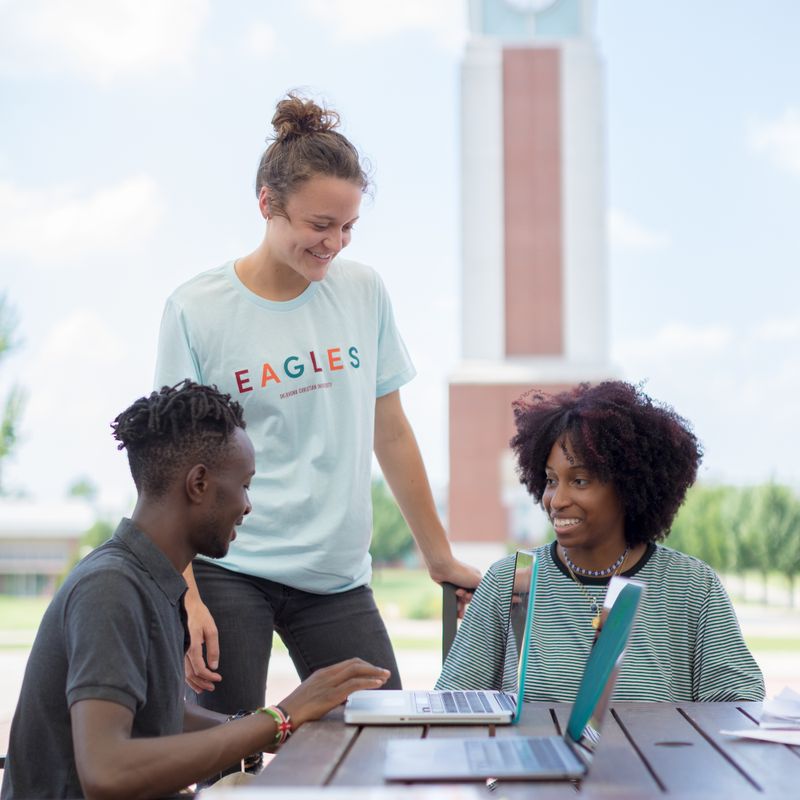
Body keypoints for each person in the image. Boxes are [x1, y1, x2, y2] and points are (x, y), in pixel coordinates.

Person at [153, 91, 480, 717]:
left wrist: (439, 557)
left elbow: (392, 431)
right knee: (225, 762)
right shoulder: (196, 309)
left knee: (385, 749)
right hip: (230, 568)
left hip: (336, 575)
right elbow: (171, 467)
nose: (335, 243)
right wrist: (185, 594)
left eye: (348, 226)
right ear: (267, 206)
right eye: (319, 225)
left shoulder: (363, 292)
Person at [0, 381, 390, 800]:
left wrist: (277, 727)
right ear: (199, 484)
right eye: (244, 484)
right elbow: (106, 772)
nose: (247, 505)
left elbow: (165, 712)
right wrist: (278, 717)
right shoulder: (110, 588)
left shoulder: (151, 579)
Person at [436, 381, 765, 702]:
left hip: (655, 758)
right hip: (531, 758)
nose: (557, 500)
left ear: (628, 488)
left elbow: (739, 705)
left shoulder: (693, 586)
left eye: (579, 480)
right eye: (551, 480)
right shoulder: (510, 579)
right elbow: (452, 700)